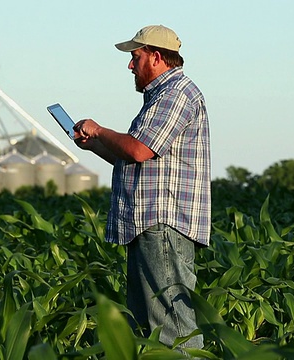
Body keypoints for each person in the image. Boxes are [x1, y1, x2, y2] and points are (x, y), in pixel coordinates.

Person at [73, 24, 211, 349]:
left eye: (136, 57)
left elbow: (138, 149)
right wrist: (93, 144)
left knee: (174, 328)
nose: (130, 66)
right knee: (149, 329)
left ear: (157, 57)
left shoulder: (176, 94)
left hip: (161, 226)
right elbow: (134, 160)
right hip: (148, 227)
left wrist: (99, 128)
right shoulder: (160, 98)